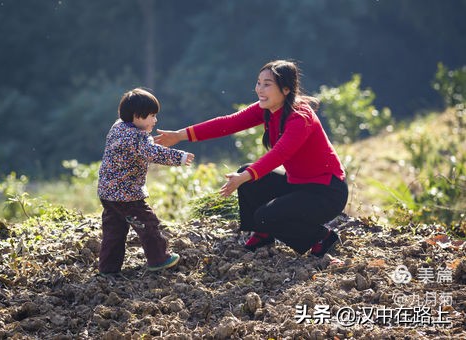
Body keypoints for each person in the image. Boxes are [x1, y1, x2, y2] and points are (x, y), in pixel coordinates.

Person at [154, 60, 348, 257]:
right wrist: (179, 135)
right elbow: (228, 123)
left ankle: (322, 237)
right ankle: (263, 234)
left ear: (286, 89)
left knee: (263, 211)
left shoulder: (300, 117)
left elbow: (279, 154)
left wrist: (246, 176)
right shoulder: (267, 108)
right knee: (247, 177)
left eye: (267, 84)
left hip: (326, 192)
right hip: (298, 184)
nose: (259, 89)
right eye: (258, 83)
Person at [97, 88, 195, 275]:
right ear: (136, 116)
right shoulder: (136, 137)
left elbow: (144, 149)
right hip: (126, 195)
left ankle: (108, 268)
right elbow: (152, 152)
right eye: (151, 115)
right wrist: (179, 157)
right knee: (148, 223)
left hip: (107, 193)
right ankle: (159, 258)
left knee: (114, 231)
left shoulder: (118, 127)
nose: (155, 120)